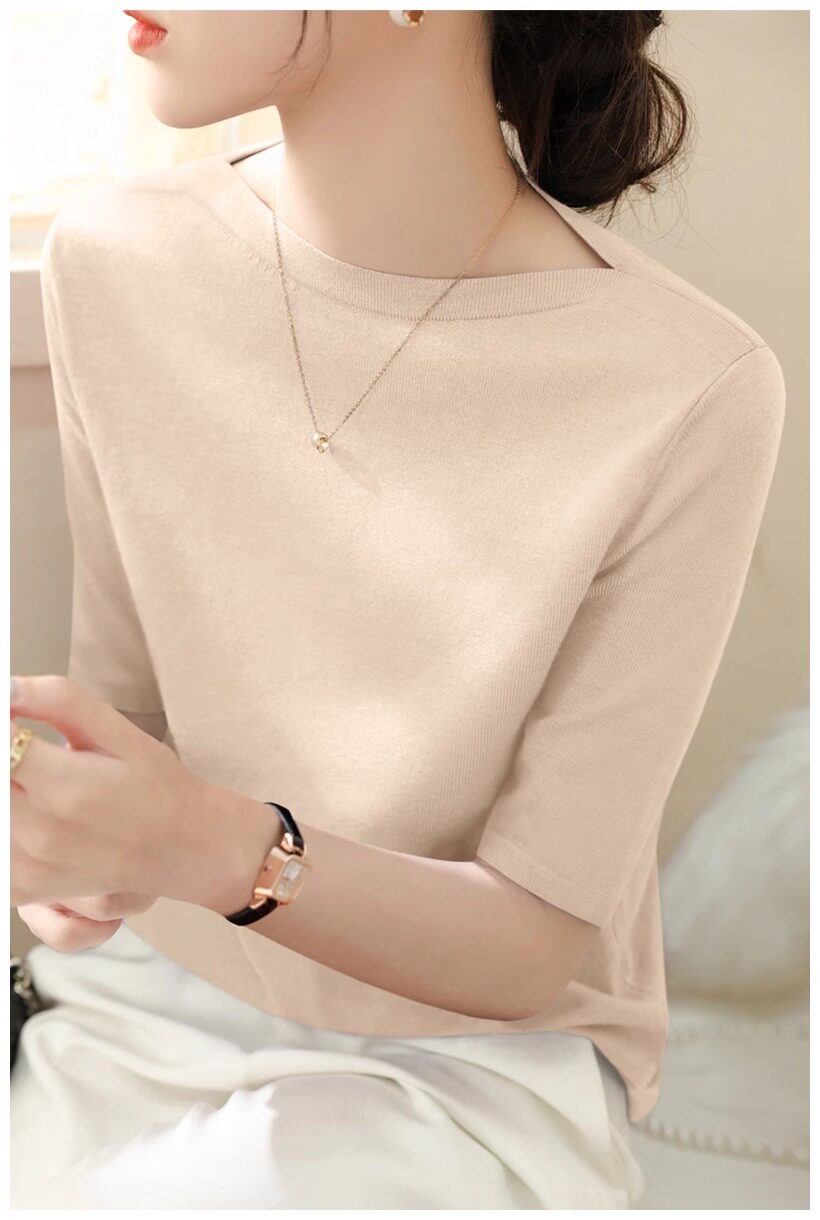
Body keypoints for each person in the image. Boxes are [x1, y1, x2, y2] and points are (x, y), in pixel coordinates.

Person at [9, 9, 786, 1209]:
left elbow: (528, 946)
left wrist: (198, 841)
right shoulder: (115, 256)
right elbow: (126, 714)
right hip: (137, 1020)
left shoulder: (687, 383)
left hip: (463, 1067)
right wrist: (71, 857)